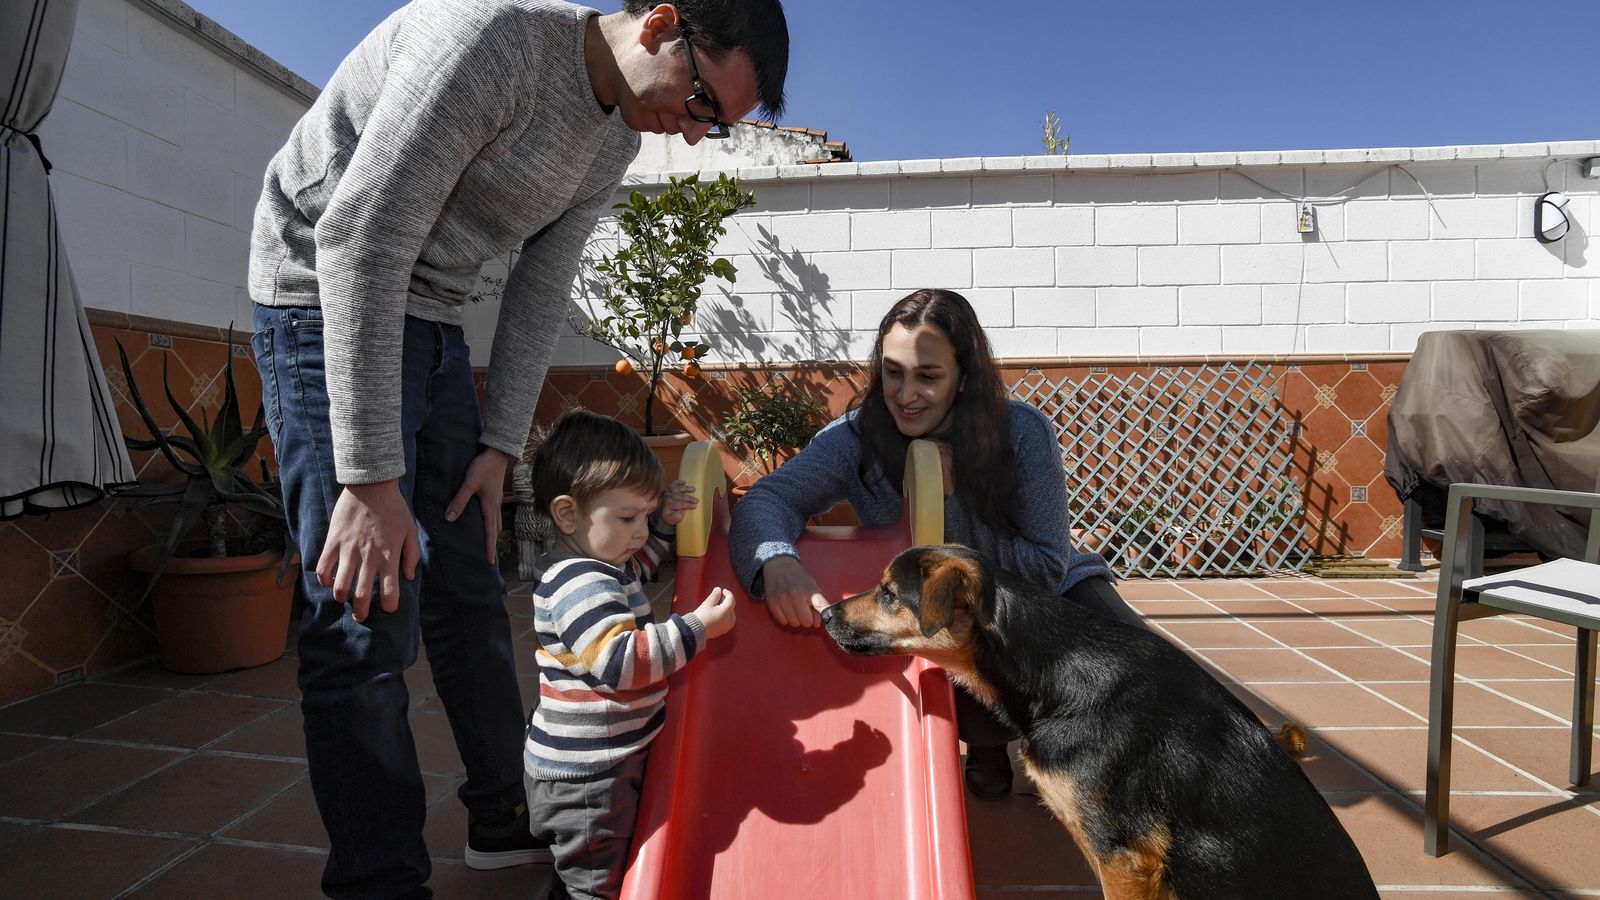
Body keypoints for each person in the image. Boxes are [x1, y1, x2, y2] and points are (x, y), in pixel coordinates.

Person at [246, 1, 788, 896]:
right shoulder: (492, 42)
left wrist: (499, 448)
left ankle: (503, 811)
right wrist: (370, 479)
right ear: (660, 25)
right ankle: (379, 880)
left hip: (431, 314)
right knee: (363, 614)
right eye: (703, 105)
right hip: (318, 294)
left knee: (467, 580)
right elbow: (358, 237)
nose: (694, 138)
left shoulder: (611, 140)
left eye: (716, 128)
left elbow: (542, 287)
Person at [727, 288, 1147, 801]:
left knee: (1144, 671)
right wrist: (776, 560)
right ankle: (988, 746)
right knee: (949, 634)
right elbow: (768, 498)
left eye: (928, 376)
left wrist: (947, 508)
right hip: (943, 610)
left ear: (963, 378)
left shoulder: (1021, 433)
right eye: (893, 372)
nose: (905, 394)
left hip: (1047, 592)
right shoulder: (856, 440)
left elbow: (1045, 566)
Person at [523, 411, 735, 900]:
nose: (639, 531)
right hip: (589, 782)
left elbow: (636, 569)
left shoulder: (601, 566)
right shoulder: (581, 582)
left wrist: (662, 524)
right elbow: (621, 663)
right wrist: (697, 628)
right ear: (568, 514)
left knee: (583, 874)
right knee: (597, 885)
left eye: (644, 514)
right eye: (628, 518)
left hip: (595, 768)